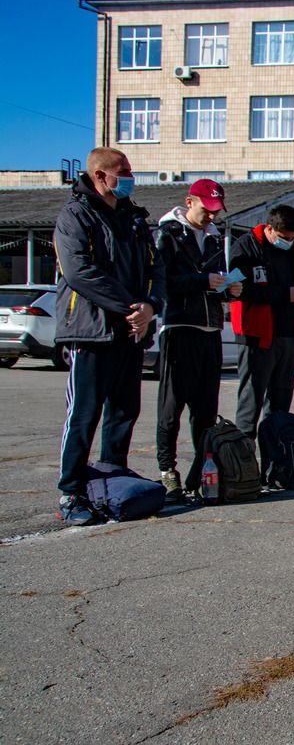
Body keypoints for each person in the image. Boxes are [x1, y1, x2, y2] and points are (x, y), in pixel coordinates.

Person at [54, 147, 165, 525]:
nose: (131, 177)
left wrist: (150, 306)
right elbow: (78, 271)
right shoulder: (76, 215)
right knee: (84, 415)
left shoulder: (134, 217)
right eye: (125, 171)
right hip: (91, 331)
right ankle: (71, 491)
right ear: (101, 176)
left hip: (130, 331)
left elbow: (155, 269)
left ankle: (110, 480)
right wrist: (128, 307)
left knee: (124, 412)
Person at [154, 178, 242, 502]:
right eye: (206, 211)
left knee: (205, 410)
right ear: (189, 202)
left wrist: (229, 290)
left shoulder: (215, 238)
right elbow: (164, 281)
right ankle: (168, 472)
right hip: (180, 328)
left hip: (210, 330)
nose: (211, 218)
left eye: (216, 213)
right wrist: (203, 280)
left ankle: (201, 472)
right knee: (171, 407)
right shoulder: (168, 234)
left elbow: (214, 281)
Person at [229, 205, 294, 442]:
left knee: (280, 401)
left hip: (285, 332)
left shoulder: (289, 251)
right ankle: (243, 461)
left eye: (293, 238)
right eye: (285, 237)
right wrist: (285, 294)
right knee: (251, 399)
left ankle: (276, 462)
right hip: (257, 334)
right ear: (270, 229)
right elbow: (242, 290)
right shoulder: (246, 246)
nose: (289, 242)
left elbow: (292, 285)